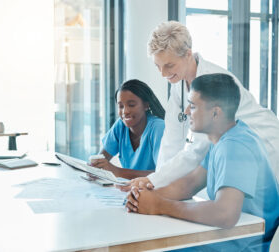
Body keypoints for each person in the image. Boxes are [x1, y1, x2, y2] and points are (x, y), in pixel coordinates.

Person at [126, 73, 279, 251]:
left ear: (215, 112)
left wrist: (160, 205)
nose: (186, 112)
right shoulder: (223, 139)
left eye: (192, 106)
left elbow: (225, 214)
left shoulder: (235, 146)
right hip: (232, 237)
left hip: (245, 245)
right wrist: (145, 198)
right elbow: (189, 184)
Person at [119, 20, 279, 191]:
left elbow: (197, 150)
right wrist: (154, 183)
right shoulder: (178, 85)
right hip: (235, 151)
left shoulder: (213, 82)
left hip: (264, 144)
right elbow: (171, 141)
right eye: (158, 66)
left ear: (188, 54)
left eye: (169, 65)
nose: (163, 73)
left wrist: (155, 181)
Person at [90, 79, 165, 179]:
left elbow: (162, 174)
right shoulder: (120, 126)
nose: (125, 111)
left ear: (146, 105)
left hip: (155, 191)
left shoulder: (158, 127)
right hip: (131, 189)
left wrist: (117, 171)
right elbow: (100, 160)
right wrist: (94, 169)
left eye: (131, 105)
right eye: (121, 106)